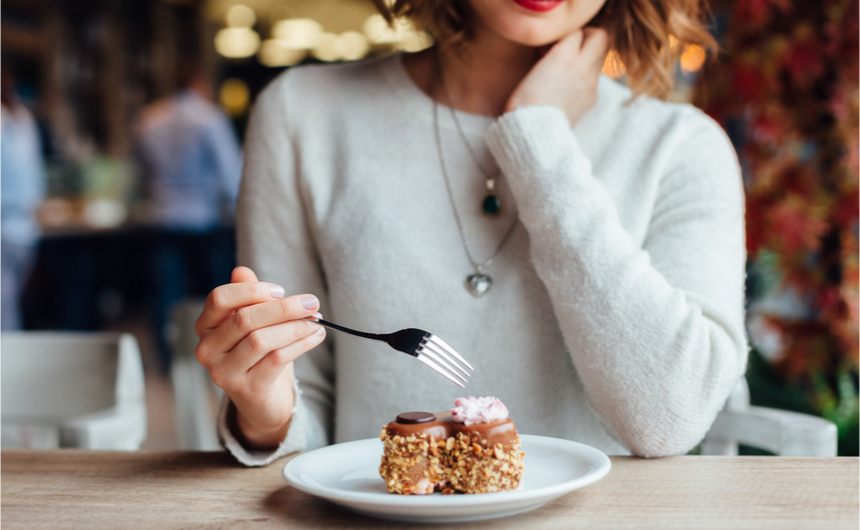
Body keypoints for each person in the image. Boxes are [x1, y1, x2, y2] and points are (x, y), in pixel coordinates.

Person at [196, 0, 748, 466]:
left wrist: (538, 141)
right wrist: (265, 411)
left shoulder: (683, 147)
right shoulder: (302, 116)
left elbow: (668, 418)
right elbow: (303, 411)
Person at [133, 61, 243, 371]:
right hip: (203, 219)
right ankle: (217, 357)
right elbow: (229, 173)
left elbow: (140, 171)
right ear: (199, 84)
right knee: (214, 295)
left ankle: (167, 360)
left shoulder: (148, 118)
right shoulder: (209, 117)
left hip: (163, 216)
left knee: (165, 293)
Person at [1, 68, 47, 330]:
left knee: (15, 299)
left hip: (27, 222)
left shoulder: (24, 117)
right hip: (3, 221)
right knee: (3, 304)